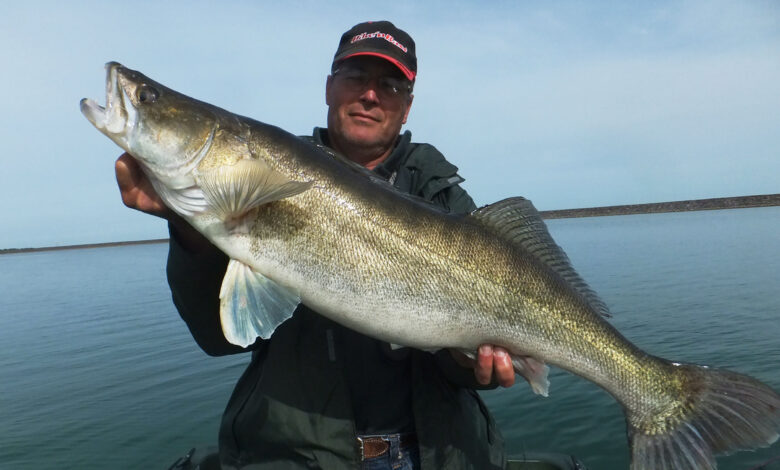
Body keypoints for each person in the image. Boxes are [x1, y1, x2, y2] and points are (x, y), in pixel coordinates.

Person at [116, 21, 515, 470]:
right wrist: (187, 228)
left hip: (439, 455)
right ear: (329, 87)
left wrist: (470, 364)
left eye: (389, 85)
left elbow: (465, 363)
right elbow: (220, 338)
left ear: (407, 108)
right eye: (355, 77)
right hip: (298, 457)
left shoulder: (444, 198)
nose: (370, 95)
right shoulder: (268, 176)